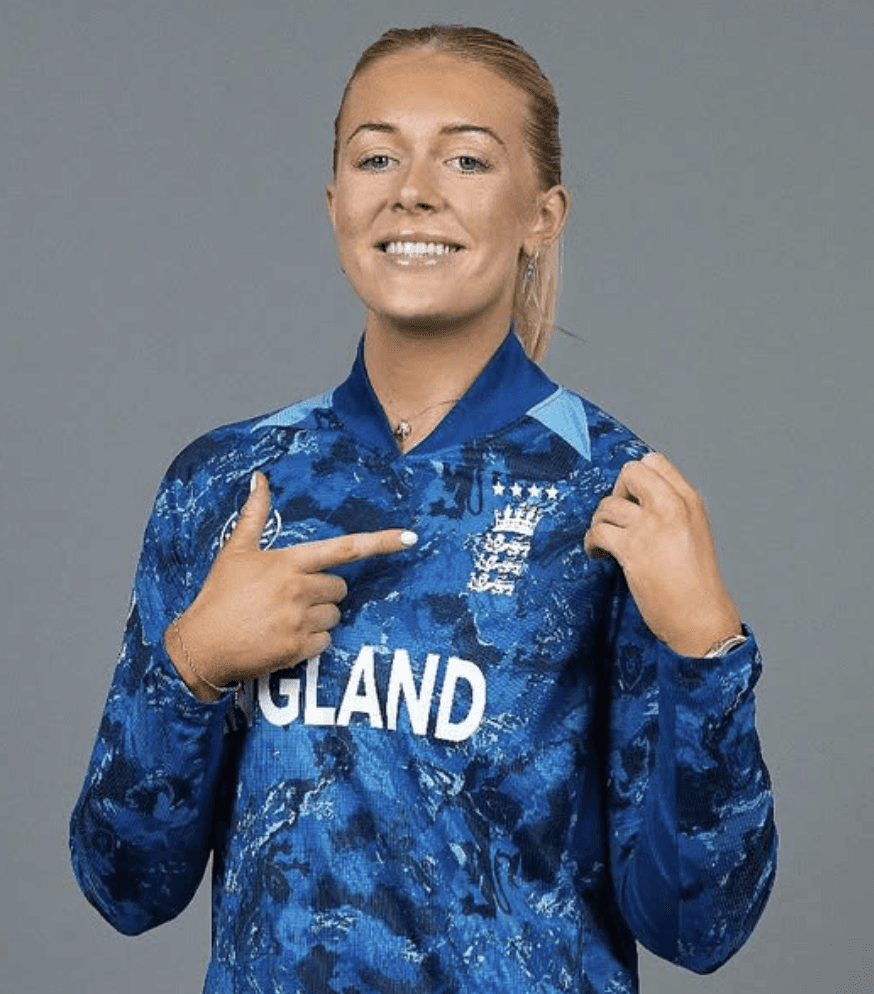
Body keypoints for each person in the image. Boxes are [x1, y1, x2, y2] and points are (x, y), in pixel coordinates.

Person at [70, 24, 777, 994]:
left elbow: (699, 926)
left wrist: (706, 651)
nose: (413, 190)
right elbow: (124, 887)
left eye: (465, 158)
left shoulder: (614, 495)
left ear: (542, 214)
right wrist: (189, 666)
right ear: (334, 202)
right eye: (376, 156)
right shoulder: (228, 482)